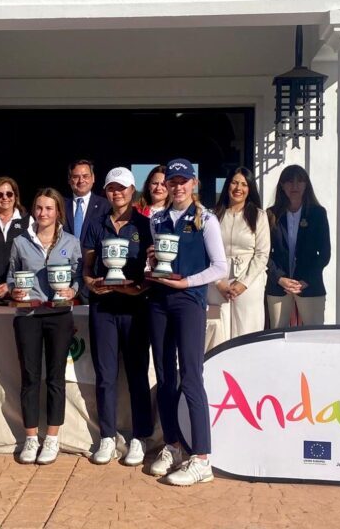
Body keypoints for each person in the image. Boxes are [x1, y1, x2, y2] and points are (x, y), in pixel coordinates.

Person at [147, 158, 227, 486]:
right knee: (165, 376)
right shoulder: (158, 218)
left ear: (193, 183)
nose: (177, 186)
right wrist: (150, 262)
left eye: (183, 181)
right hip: (159, 302)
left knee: (191, 377)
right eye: (173, 181)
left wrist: (188, 282)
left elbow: (220, 267)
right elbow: (156, 262)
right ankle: (173, 445)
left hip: (190, 302)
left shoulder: (206, 219)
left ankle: (202, 458)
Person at [82, 167, 154, 466]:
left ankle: (140, 436)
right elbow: (86, 267)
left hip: (135, 308)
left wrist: (139, 289)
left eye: (122, 188)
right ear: (106, 191)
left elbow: (153, 267)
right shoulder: (95, 224)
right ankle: (108, 436)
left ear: (132, 190)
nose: (117, 193)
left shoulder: (145, 224)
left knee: (137, 374)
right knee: (105, 375)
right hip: (104, 308)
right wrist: (89, 284)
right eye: (112, 188)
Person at [8, 188, 82, 465]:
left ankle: (51, 438)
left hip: (59, 315)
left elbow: (77, 277)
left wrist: (72, 290)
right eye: (39, 208)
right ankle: (30, 438)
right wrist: (15, 290)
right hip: (27, 315)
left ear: (58, 212)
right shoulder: (20, 242)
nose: (43, 213)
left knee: (55, 377)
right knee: (29, 377)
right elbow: (12, 276)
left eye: (49, 208)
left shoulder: (71, 242)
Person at [207, 167, 270, 346]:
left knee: (247, 332)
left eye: (244, 184)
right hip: (219, 282)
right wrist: (219, 282)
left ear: (250, 189)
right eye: (234, 182)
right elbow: (206, 251)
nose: (238, 188)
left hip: (249, 282)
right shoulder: (212, 216)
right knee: (219, 334)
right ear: (228, 185)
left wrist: (244, 283)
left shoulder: (259, 216)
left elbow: (262, 254)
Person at [266, 164, 331, 328]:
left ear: (306, 185)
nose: (294, 186)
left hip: (310, 284)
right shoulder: (271, 214)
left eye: (299, 181)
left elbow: (324, 253)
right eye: (289, 181)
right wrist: (279, 278)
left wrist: (305, 281)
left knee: (314, 335)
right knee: (276, 335)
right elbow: (264, 253)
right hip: (279, 285)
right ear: (282, 185)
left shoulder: (317, 213)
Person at [64, 160, 111, 303]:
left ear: (93, 178)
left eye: (85, 176)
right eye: (76, 176)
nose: (81, 180)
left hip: (95, 277)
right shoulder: (59, 205)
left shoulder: (106, 206)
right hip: (65, 279)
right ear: (69, 179)